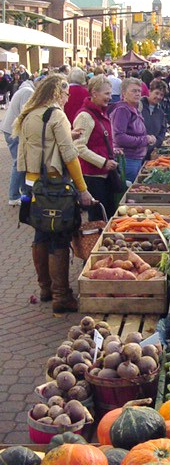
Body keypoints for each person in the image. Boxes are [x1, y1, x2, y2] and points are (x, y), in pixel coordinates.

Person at [14, 74, 94, 312]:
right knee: (59, 234)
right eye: (66, 93)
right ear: (58, 92)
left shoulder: (29, 114)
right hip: (56, 185)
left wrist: (68, 136)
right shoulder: (56, 115)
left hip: (33, 182)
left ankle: (45, 288)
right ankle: (62, 296)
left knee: (40, 233)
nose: (68, 98)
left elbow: (39, 145)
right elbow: (69, 157)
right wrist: (83, 189)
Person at [73, 75, 119, 218]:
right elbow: (79, 147)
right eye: (106, 94)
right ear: (94, 93)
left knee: (109, 214)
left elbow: (100, 141)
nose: (110, 97)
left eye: (110, 93)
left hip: (104, 175)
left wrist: (112, 151)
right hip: (93, 176)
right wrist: (103, 162)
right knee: (99, 217)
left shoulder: (101, 112)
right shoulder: (85, 116)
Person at [110, 77, 156, 182]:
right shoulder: (122, 110)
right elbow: (119, 137)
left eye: (139, 91)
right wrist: (145, 140)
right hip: (128, 159)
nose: (137, 93)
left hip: (136, 158)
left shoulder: (133, 108)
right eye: (134, 91)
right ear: (124, 93)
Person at [0, 77, 36, 205]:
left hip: (10, 129)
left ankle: (23, 192)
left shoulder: (25, 89)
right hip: (13, 131)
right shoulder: (28, 92)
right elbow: (25, 114)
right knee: (19, 163)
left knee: (20, 163)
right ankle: (14, 195)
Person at [140, 80, 168, 160]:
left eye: (161, 95)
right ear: (149, 91)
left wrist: (156, 143)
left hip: (152, 153)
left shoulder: (160, 112)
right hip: (137, 152)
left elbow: (163, 130)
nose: (159, 97)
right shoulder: (139, 107)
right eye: (156, 93)